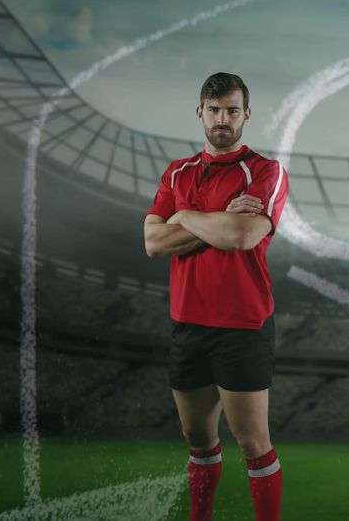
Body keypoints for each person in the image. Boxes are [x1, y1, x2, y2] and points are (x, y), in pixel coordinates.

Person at [143, 72, 288, 521]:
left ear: (246, 114)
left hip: (242, 326)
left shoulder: (265, 171)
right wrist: (211, 220)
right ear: (199, 113)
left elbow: (243, 236)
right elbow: (152, 242)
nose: (221, 118)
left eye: (231, 110)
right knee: (199, 443)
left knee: (252, 443)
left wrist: (183, 217)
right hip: (188, 326)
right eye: (213, 109)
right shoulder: (178, 172)